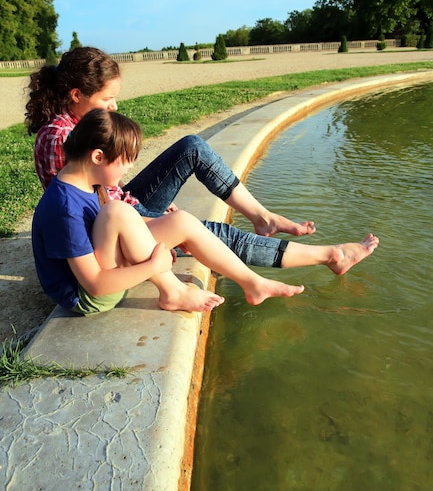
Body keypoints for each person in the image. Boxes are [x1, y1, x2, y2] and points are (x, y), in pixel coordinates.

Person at [31, 109, 379, 315]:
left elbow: (117, 231)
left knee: (181, 221)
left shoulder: (88, 182)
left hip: (106, 265)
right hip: (89, 298)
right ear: (96, 157)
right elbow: (92, 282)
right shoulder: (63, 206)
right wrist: (154, 267)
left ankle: (252, 283)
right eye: (123, 164)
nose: (125, 173)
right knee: (118, 213)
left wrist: (166, 227)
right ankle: (172, 291)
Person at [25, 46, 315, 269]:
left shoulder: (78, 125)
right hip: (108, 237)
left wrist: (150, 206)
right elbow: (86, 210)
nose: (114, 106)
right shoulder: (58, 137)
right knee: (202, 230)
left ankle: (262, 218)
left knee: (192, 147)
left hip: (117, 209)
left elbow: (107, 189)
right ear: (77, 95)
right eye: (106, 98)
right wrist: (156, 222)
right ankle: (322, 256)